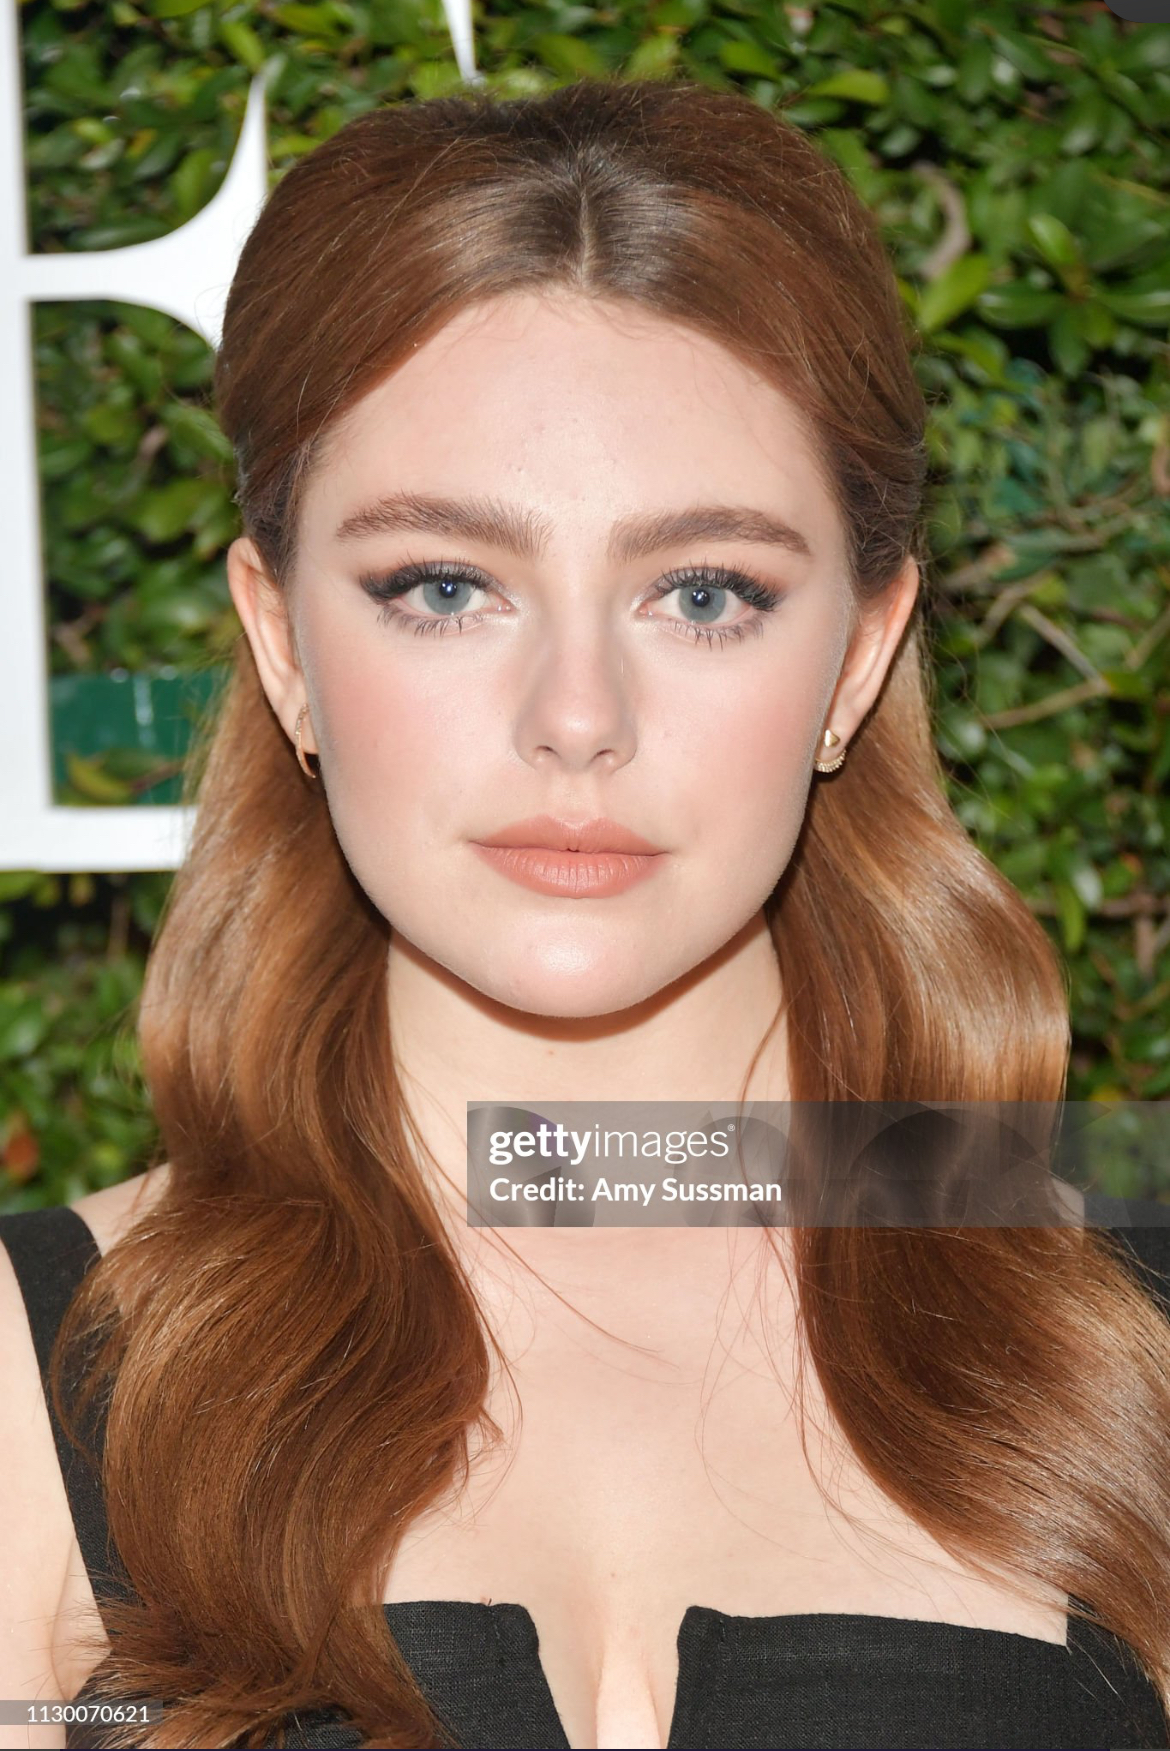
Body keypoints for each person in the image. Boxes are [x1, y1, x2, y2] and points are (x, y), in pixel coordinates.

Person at [2, 75, 1169, 1751]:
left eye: (702, 593)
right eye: (444, 586)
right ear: (280, 640)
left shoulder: (1125, 1317)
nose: (575, 718)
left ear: (856, 656)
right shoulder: (29, 1372)